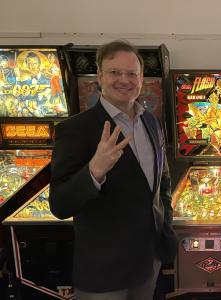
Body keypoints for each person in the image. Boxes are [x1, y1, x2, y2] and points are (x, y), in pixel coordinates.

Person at [49, 40, 178, 300]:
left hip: (146, 260)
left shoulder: (151, 122)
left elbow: (162, 182)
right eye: (115, 72)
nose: (124, 80)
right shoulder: (76, 129)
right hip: (103, 270)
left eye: (132, 73)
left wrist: (165, 227)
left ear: (141, 78)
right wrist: (94, 171)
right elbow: (60, 205)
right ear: (100, 76)